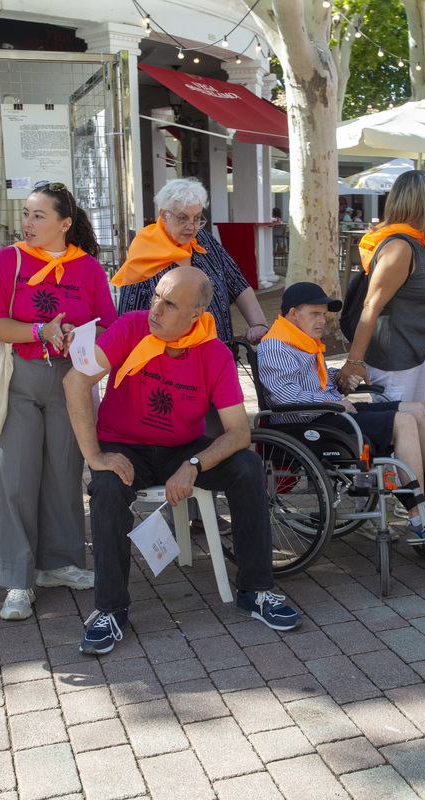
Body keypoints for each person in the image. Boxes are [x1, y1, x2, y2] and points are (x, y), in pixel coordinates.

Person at [62, 267, 302, 655]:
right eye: (156, 295)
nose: (155, 308)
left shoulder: (214, 352)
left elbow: (239, 432)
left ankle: (255, 591)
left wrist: (193, 464)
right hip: (125, 446)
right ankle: (110, 611)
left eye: (169, 303)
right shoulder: (130, 326)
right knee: (106, 488)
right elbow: (76, 382)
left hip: (181, 449)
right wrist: (95, 456)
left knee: (247, 466)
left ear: (196, 314)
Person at [0, 181, 116, 621]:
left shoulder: (88, 267)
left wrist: (79, 335)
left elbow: (107, 324)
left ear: (64, 223)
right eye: (26, 215)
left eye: (39, 216)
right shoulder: (7, 260)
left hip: (72, 378)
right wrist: (40, 331)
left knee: (64, 471)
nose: (28, 223)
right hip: (17, 374)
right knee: (14, 477)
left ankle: (62, 563)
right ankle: (19, 579)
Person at [257, 282, 425, 543]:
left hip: (328, 415)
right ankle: (419, 519)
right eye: (315, 314)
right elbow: (286, 398)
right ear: (293, 314)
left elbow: (308, 383)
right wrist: (336, 403)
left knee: (417, 410)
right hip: (311, 425)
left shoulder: (300, 341)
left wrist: (339, 378)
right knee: (403, 423)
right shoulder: (276, 347)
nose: (322, 320)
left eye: (323, 314)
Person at [113, 178, 268, 346]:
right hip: (168, 362)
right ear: (164, 214)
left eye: (196, 218)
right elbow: (128, 318)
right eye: (183, 218)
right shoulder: (144, 250)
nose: (191, 226)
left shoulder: (204, 241)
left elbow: (236, 282)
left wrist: (258, 324)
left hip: (219, 352)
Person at [335, 170, 425, 404]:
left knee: (413, 426)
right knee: (397, 431)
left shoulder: (417, 243)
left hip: (412, 355)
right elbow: (371, 306)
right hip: (394, 360)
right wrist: (354, 362)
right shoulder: (400, 247)